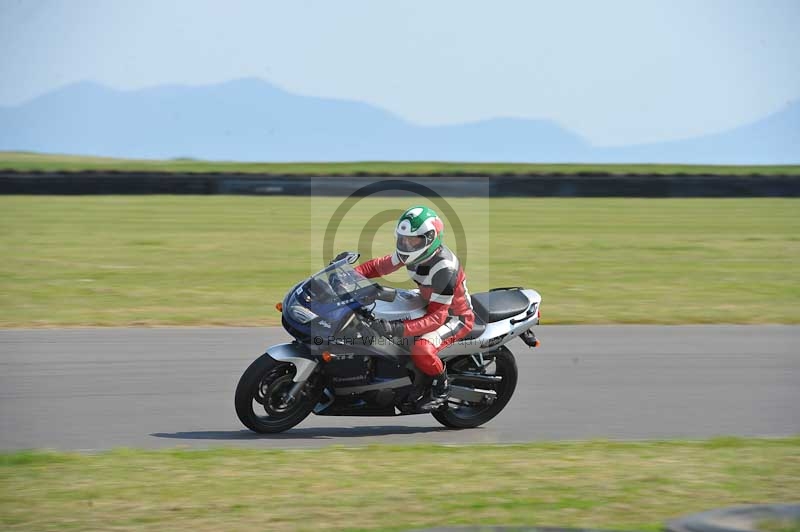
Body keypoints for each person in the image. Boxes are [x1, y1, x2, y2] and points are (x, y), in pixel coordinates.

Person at [355, 205, 474, 410]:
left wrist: (397, 328)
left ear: (430, 239)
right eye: (403, 239)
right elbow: (377, 266)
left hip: (454, 317)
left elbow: (437, 317)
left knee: (421, 349)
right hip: (428, 301)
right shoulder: (410, 253)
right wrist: (348, 276)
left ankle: (441, 386)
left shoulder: (444, 269)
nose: (407, 244)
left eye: (413, 240)